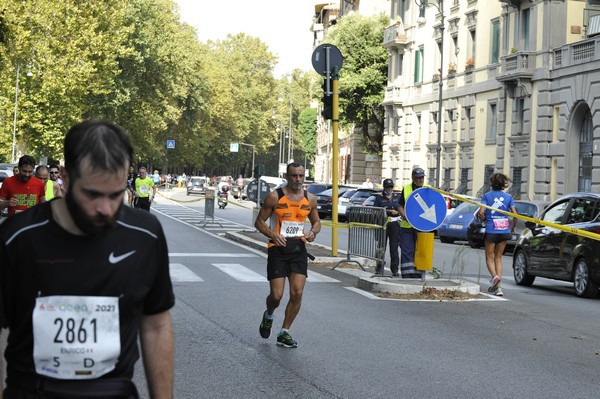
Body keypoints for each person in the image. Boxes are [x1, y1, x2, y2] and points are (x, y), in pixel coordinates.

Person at [0, 119, 175, 399]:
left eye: (115, 195)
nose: (105, 209)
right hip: (33, 391)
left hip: (113, 391)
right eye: (92, 194)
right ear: (66, 179)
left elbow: (156, 324)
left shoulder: (145, 235)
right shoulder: (16, 238)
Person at [254, 162, 321, 348]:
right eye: (294, 175)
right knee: (276, 295)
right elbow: (259, 222)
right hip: (278, 249)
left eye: (301, 176)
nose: (297, 179)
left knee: (297, 292)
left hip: (299, 249)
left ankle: (284, 332)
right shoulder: (275, 196)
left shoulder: (310, 199)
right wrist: (273, 235)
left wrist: (313, 232)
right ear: (286, 176)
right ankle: (268, 314)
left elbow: (316, 223)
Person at [476, 173, 517, 297]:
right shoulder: (508, 197)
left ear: (492, 183)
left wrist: (484, 218)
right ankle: (499, 288)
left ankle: (494, 277)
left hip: (491, 230)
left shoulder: (487, 196)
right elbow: (514, 213)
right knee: (498, 258)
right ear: (503, 184)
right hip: (504, 230)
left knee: (489, 257)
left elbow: (481, 212)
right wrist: (513, 227)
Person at [398, 167, 427, 279]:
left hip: (422, 227)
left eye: (422, 177)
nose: (421, 180)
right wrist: (404, 215)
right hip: (407, 227)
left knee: (420, 251)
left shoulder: (427, 189)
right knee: (407, 250)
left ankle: (418, 275)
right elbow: (400, 206)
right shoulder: (407, 189)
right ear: (413, 178)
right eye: (418, 178)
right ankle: (407, 275)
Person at [373, 178, 401, 276]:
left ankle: (395, 270)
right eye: (388, 187)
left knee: (394, 248)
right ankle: (378, 267)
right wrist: (388, 211)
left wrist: (398, 212)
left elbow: (402, 208)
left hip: (394, 225)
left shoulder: (397, 197)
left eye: (391, 187)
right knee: (381, 248)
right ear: (384, 188)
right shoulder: (379, 198)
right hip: (383, 225)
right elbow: (375, 211)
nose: (390, 189)